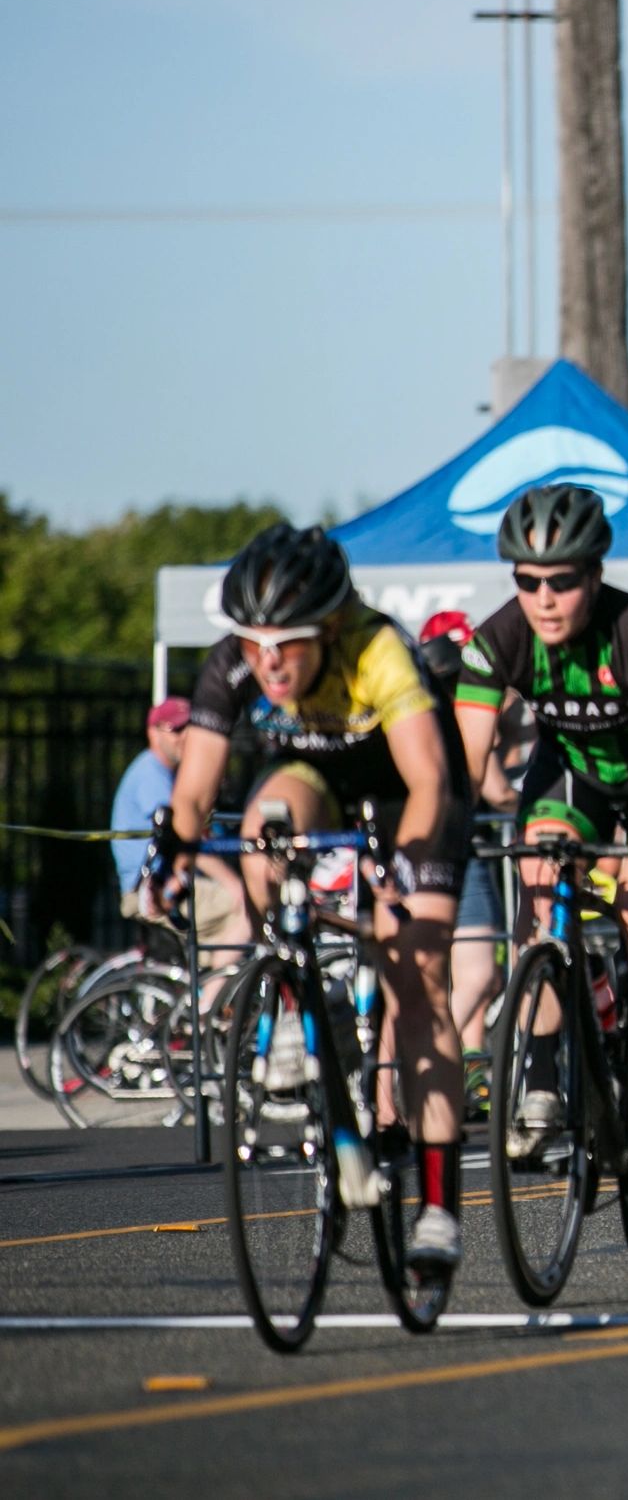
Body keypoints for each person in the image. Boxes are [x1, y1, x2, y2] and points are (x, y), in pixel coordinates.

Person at [148, 524, 471, 1272]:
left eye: (286, 642)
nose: (267, 659)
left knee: (418, 983)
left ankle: (437, 1204)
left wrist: (404, 870)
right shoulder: (234, 662)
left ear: (328, 627)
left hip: (407, 792)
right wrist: (173, 853)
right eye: (254, 641)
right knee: (265, 828)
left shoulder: (376, 647)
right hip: (316, 775)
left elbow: (428, 780)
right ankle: (298, 994)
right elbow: (195, 790)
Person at [449, 484, 628, 1177]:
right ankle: (540, 1081)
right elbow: (457, 765)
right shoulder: (498, 638)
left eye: (562, 582)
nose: (543, 598)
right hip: (574, 772)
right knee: (539, 887)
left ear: (594, 575)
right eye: (527, 580)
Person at [415, 610, 519, 1119]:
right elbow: (496, 787)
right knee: (471, 974)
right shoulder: (448, 707)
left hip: (459, 844)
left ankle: (465, 1070)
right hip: (445, 846)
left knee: (475, 974)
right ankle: (437, 1067)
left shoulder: (456, 702)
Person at [113, 697, 246, 948]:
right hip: (153, 891)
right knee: (250, 907)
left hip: (171, 884)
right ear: (153, 733)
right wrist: (234, 885)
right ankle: (215, 987)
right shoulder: (151, 773)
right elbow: (183, 837)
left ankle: (215, 979)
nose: (185, 736)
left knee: (236, 933)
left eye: (190, 728)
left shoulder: (173, 774)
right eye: (176, 729)